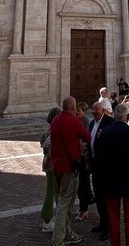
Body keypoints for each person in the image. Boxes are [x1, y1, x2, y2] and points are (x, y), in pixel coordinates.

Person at [96, 103, 129, 246]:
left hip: (110, 182)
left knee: (113, 220)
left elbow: (100, 158)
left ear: (114, 115)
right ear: (128, 116)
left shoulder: (105, 133)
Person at [50, 96, 92, 246]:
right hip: (68, 167)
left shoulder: (55, 120)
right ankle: (58, 239)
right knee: (64, 204)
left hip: (56, 167)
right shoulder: (73, 121)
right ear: (73, 108)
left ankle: (66, 233)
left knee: (63, 202)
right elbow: (88, 137)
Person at [88, 101, 115, 241]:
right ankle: (102, 223)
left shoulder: (110, 122)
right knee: (99, 197)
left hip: (106, 168)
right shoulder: (91, 123)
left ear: (103, 110)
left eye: (97, 109)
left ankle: (109, 228)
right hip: (95, 167)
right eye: (93, 109)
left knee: (106, 199)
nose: (95, 111)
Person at [40, 106, 62, 233]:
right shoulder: (53, 128)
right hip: (52, 164)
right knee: (52, 192)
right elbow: (47, 144)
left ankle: (48, 218)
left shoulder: (47, 127)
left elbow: (42, 141)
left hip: (48, 163)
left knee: (51, 192)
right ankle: (47, 221)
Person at [74, 102, 94, 222]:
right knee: (81, 184)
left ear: (84, 112)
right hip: (79, 157)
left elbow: (88, 139)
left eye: (79, 111)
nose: (76, 113)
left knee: (83, 184)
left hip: (85, 158)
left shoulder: (87, 123)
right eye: (76, 110)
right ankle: (84, 206)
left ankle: (84, 208)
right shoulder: (77, 121)